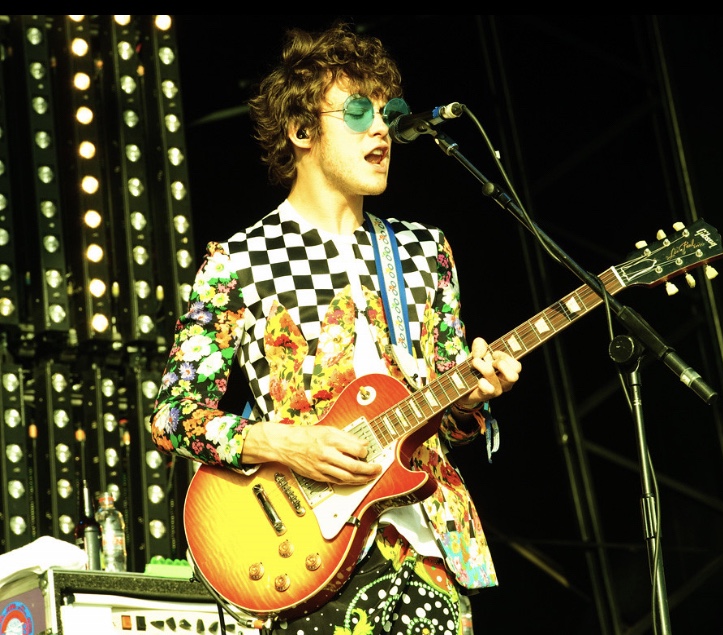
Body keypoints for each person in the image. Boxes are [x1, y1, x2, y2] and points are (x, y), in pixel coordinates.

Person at [150, 20, 522, 635]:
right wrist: (284, 443)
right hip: (306, 556)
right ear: (301, 130)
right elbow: (173, 417)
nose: (382, 129)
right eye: (356, 112)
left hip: (431, 548)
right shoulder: (238, 263)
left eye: (388, 112)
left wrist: (472, 396)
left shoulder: (424, 251)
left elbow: (452, 421)